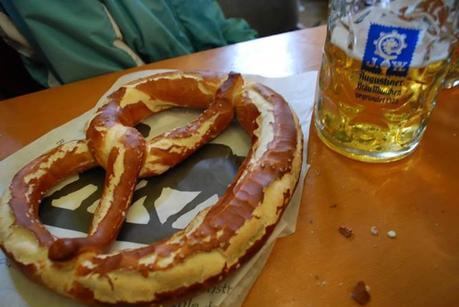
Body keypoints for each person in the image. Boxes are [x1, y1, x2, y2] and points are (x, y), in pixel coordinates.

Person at [0, 0, 256, 88]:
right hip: (132, 98)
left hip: (216, 71)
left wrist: (250, 50)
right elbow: (113, 79)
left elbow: (212, 22)